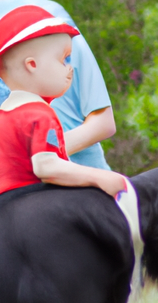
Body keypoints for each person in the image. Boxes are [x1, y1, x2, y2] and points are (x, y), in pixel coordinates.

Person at [0, 5, 125, 196]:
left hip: (76, 191)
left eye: (68, 59)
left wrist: (35, 151)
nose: (69, 68)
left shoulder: (46, 16)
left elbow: (103, 122)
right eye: (64, 61)